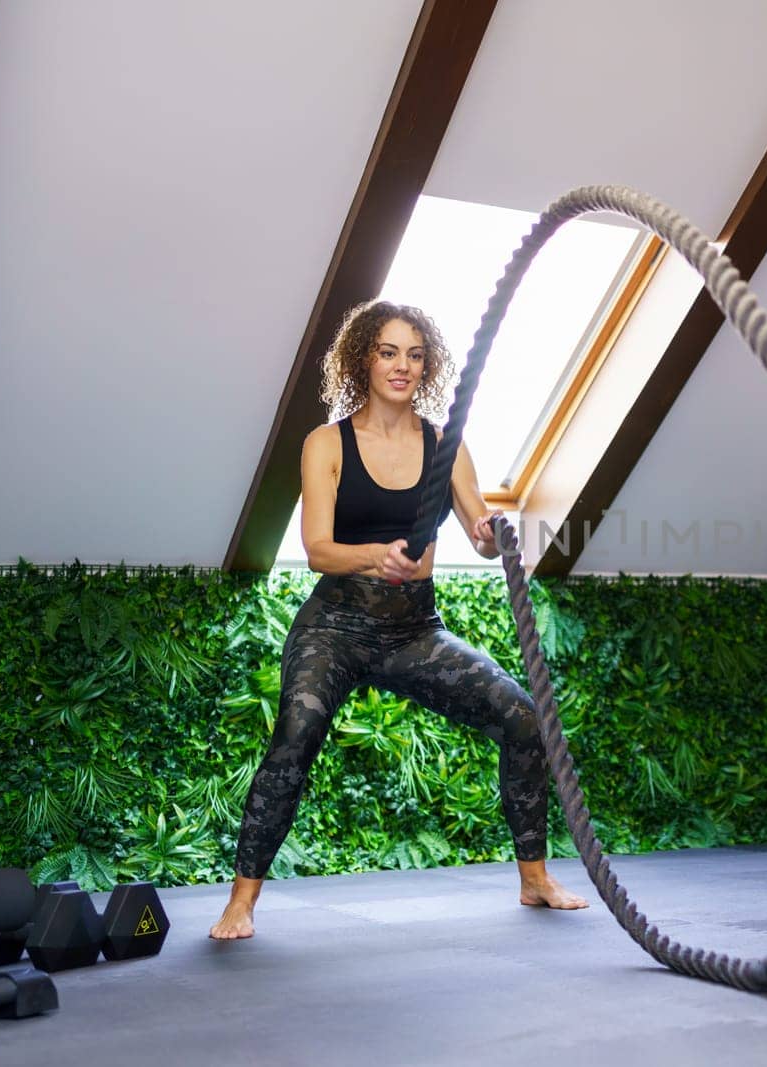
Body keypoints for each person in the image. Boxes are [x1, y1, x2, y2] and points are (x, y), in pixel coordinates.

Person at [210, 299, 587, 939]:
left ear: (427, 366)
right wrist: (374, 557)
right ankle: (241, 902)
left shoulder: (444, 446)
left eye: (415, 355)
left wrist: (492, 531)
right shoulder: (327, 443)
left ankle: (535, 879)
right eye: (389, 352)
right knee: (295, 735)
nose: (402, 366)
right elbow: (318, 548)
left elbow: (478, 532)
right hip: (336, 627)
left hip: (414, 632)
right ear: (364, 358)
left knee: (523, 717)